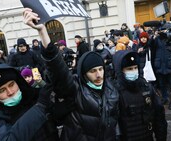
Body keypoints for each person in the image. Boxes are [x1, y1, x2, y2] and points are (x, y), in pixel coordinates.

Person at [23, 8, 119, 141]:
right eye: (92, 71)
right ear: (84, 74)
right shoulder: (75, 89)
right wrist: (42, 31)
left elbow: (115, 124)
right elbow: (59, 71)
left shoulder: (112, 90)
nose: (98, 75)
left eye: (100, 69)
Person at [0, 64, 59, 141]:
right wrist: (40, 108)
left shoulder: (34, 98)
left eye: (11, 85)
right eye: (1, 90)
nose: (10, 92)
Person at [112, 50, 167, 141]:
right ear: (120, 71)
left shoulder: (146, 87)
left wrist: (161, 138)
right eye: (129, 69)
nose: (133, 71)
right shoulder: (114, 92)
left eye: (135, 68)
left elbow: (159, 116)